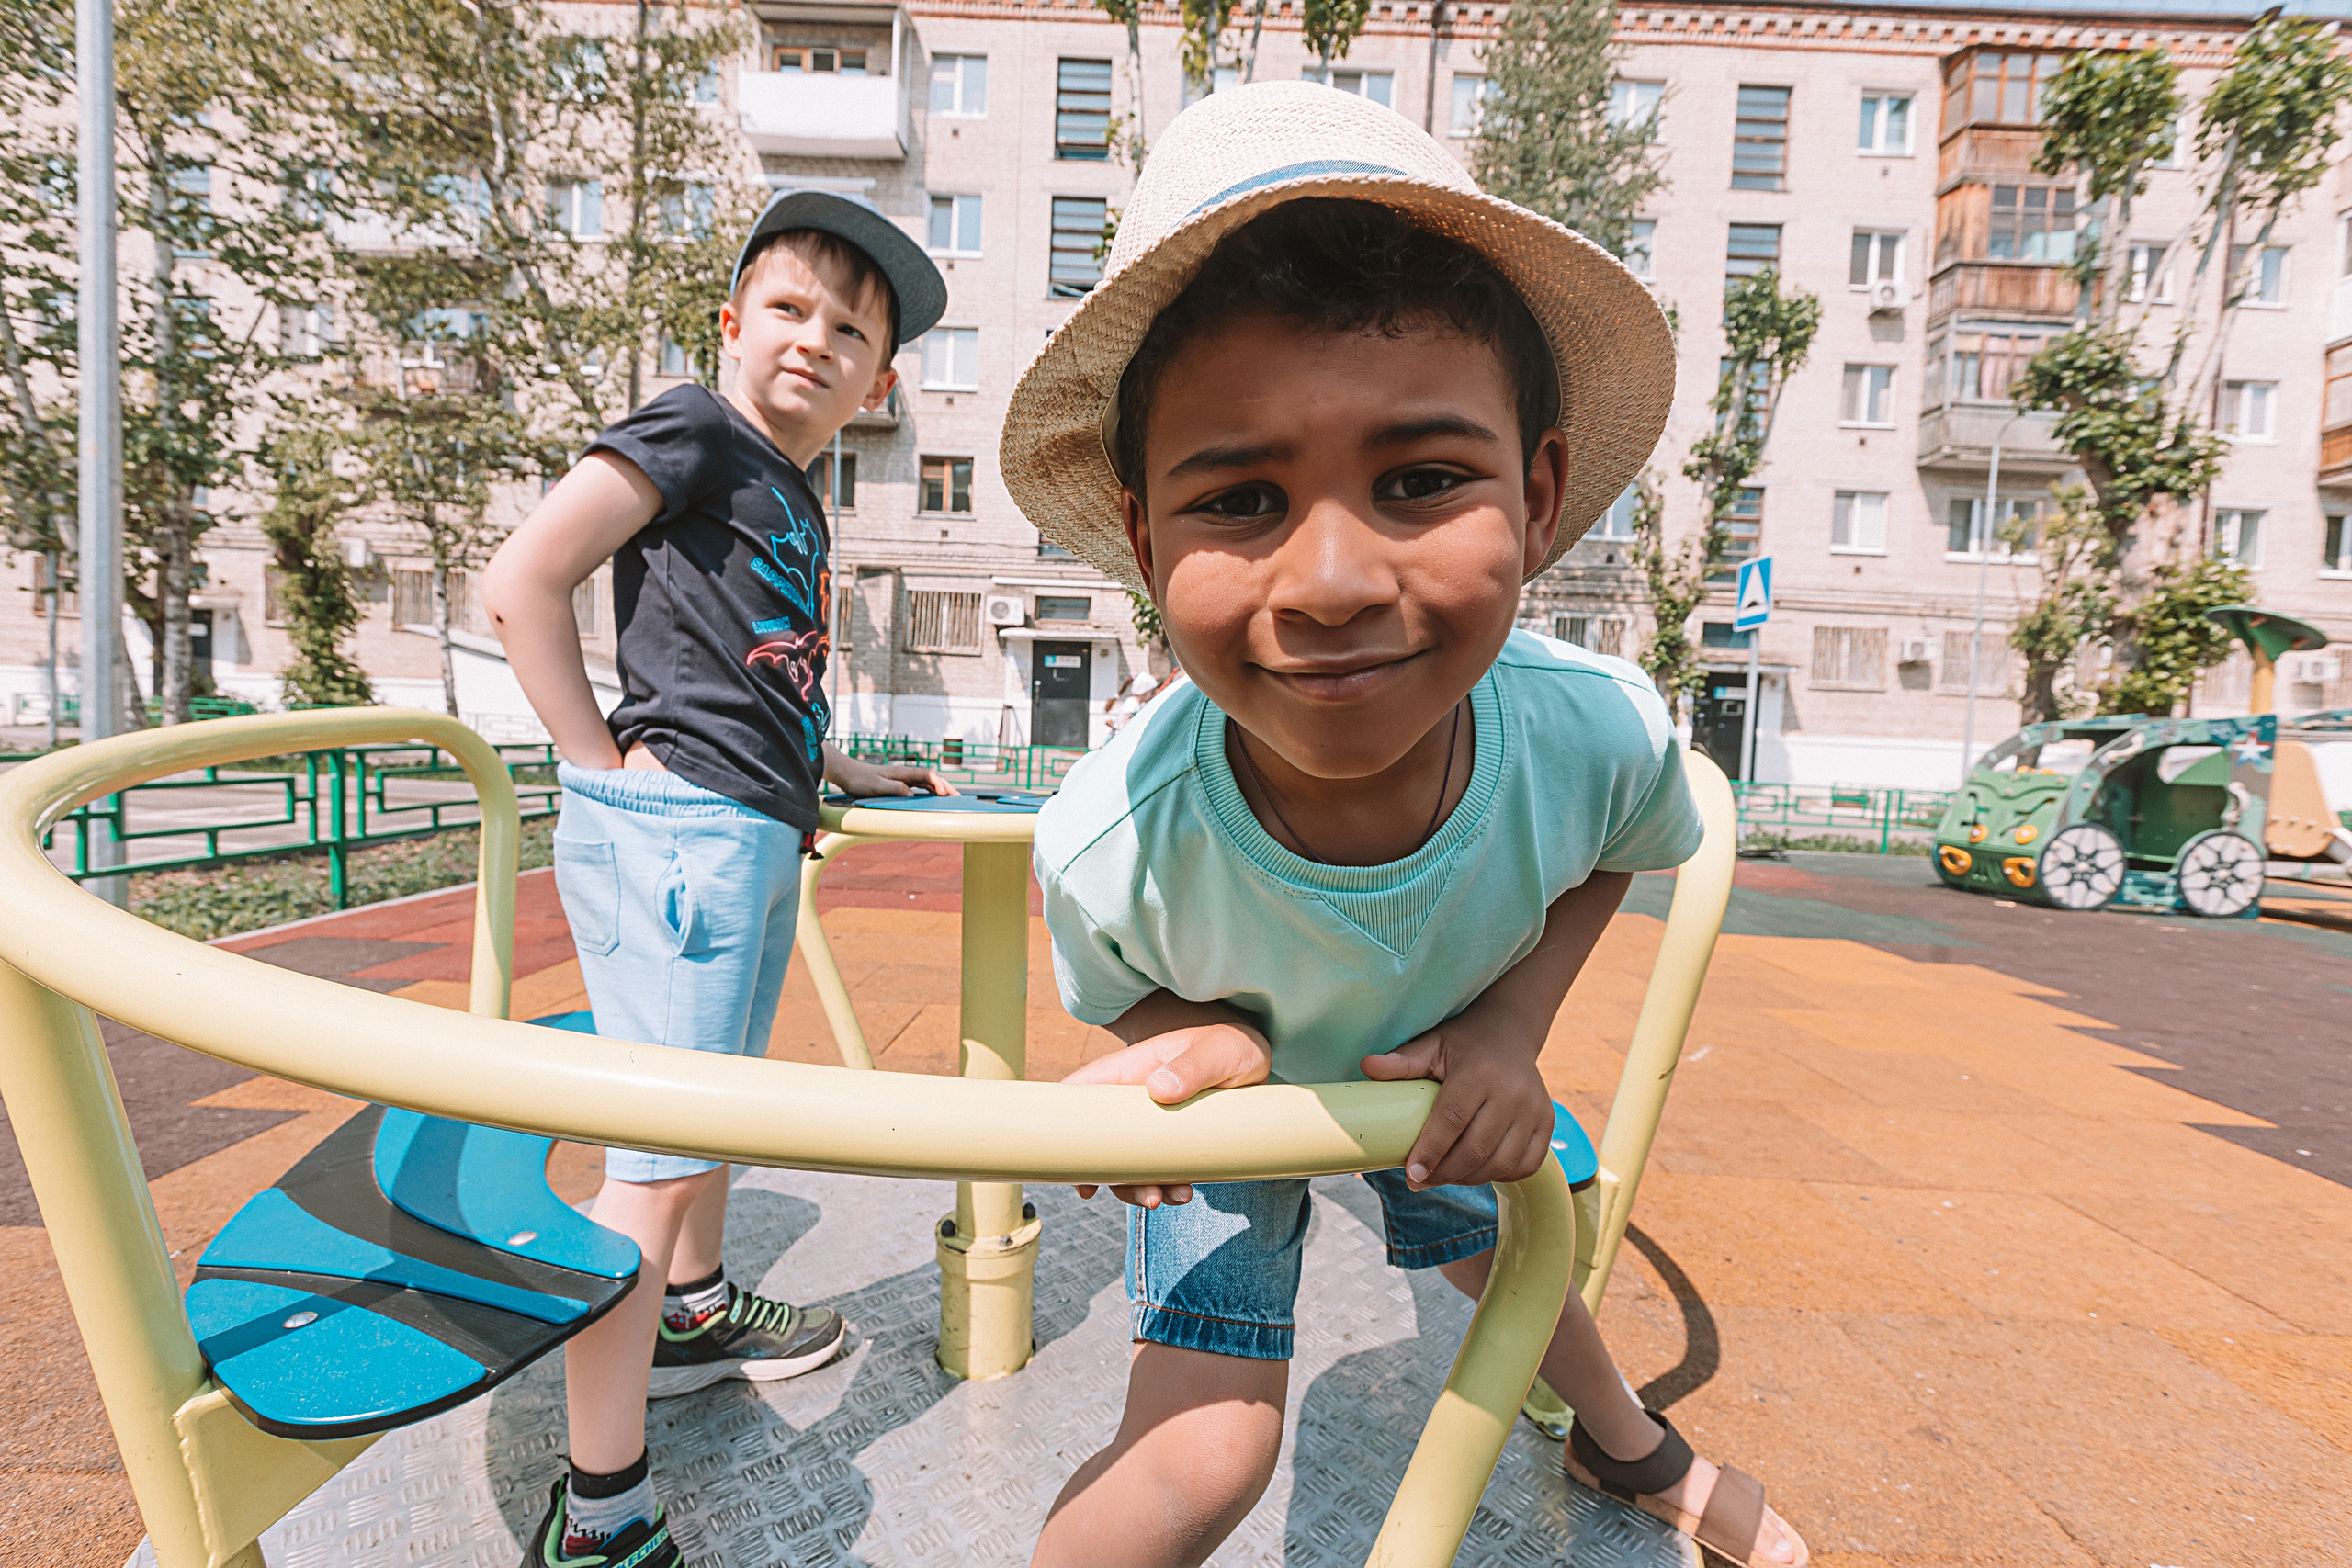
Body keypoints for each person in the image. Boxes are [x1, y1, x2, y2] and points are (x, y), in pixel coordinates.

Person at [1000, 84, 1808, 1568]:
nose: (1328, 581)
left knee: (1517, 1250)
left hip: (1430, 1053)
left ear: (1541, 492)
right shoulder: (1116, 833)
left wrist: (1508, 1027)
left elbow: (1630, 839)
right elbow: (1121, 987)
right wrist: (1195, 1033)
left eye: (1421, 481)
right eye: (1240, 497)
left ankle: (1628, 1446)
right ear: (1142, 541)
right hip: (1230, 1114)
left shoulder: (1595, 731)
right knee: (1206, 1452)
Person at [480, 187, 956, 1568]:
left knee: (711, 1117)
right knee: (654, 1155)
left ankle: (689, 1310)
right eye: (793, 309)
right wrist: (591, 759)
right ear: (734, 322)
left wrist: (838, 774)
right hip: (677, 826)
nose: (818, 340)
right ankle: (602, 1507)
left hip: (744, 824)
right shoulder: (694, 426)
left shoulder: (788, 486)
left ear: (876, 381)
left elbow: (759, 671)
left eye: (851, 331)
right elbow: (524, 579)